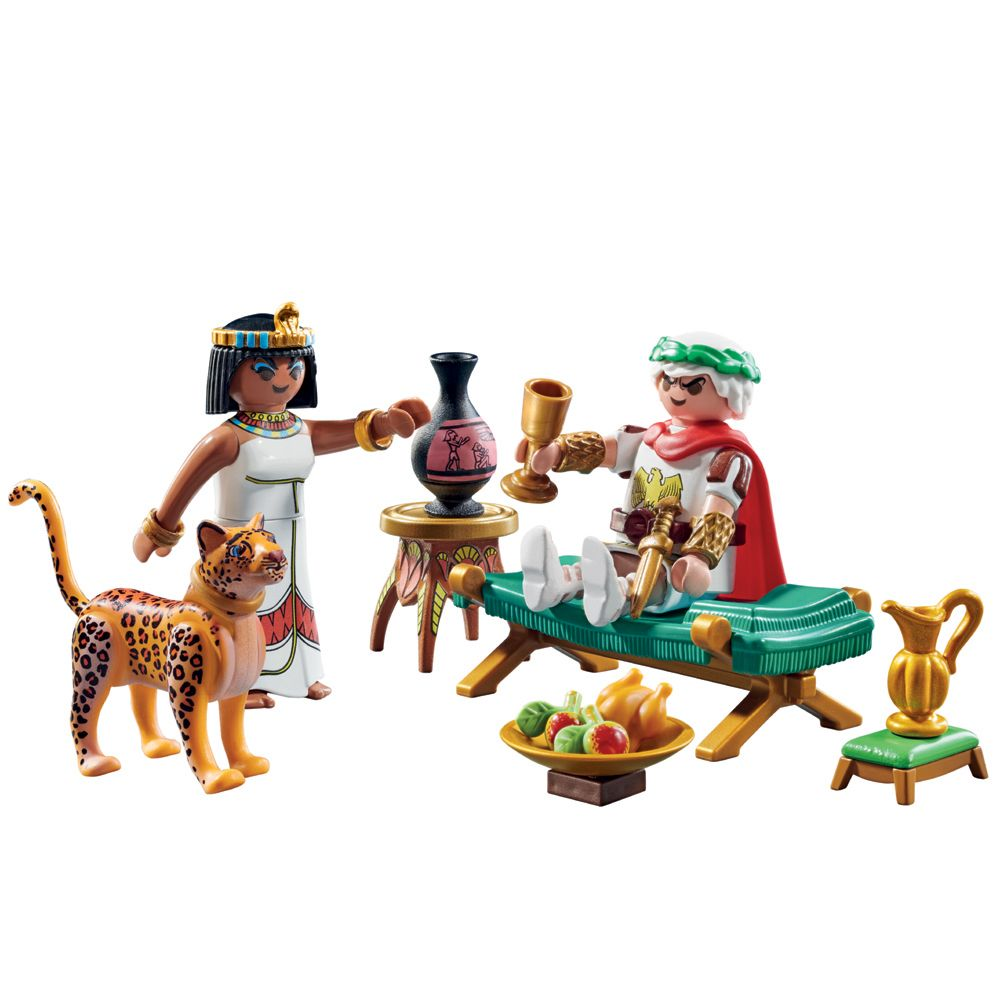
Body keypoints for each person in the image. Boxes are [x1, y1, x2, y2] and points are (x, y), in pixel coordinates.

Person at [134, 302, 430, 708]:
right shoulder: (227, 438)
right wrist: (158, 532)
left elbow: (347, 432)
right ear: (229, 372)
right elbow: (186, 483)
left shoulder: (297, 429)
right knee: (246, 604)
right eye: (264, 370)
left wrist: (384, 423)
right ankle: (241, 681)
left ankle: (299, 675)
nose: (282, 380)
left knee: (293, 598)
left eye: (294, 368)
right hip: (241, 540)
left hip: (290, 532)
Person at [517, 332, 785, 627]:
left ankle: (619, 597)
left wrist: (699, 557)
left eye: (693, 384)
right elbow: (604, 449)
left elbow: (717, 517)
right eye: (669, 380)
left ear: (729, 392)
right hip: (632, 546)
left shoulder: (726, 456)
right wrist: (558, 451)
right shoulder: (650, 438)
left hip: (681, 565)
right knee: (607, 562)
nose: (676, 390)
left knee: (658, 579)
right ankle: (557, 584)